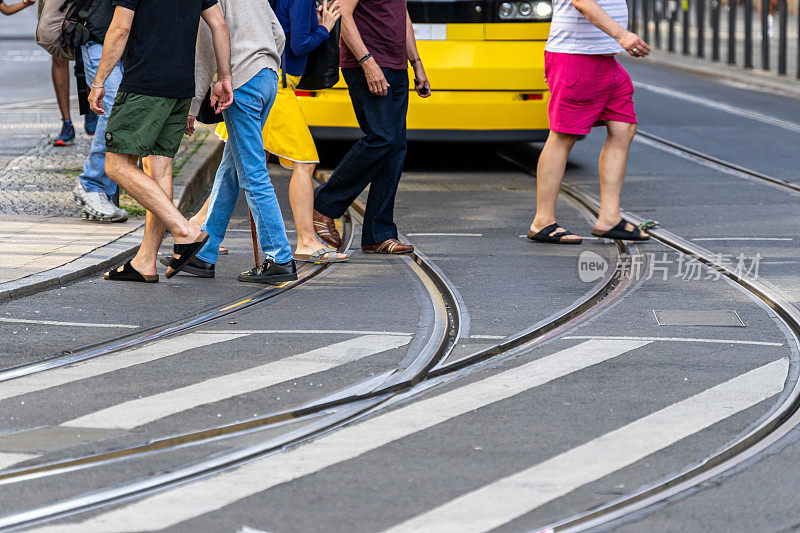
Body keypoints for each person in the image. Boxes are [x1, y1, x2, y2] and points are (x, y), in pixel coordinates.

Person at [89, 0, 234, 283]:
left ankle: (186, 231)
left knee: (116, 166)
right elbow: (220, 25)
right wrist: (224, 76)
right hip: (181, 87)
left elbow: (120, 29)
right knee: (159, 168)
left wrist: (98, 81)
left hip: (146, 84)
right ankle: (146, 261)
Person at [212, 0, 347, 264]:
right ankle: (306, 240)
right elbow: (296, 43)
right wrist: (325, 28)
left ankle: (199, 233)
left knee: (234, 166)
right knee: (304, 161)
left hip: (264, 79)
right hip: (277, 85)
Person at [180, 0, 298, 283]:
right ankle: (205, 253)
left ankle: (279, 257)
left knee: (252, 173)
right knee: (232, 169)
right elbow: (277, 33)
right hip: (267, 77)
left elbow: (207, 48)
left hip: (241, 80)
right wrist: (265, 63)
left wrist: (193, 106)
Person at [526, 0, 651, 244]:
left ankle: (609, 218)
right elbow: (581, 2)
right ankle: (542, 221)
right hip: (576, 57)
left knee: (623, 127)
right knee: (563, 136)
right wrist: (623, 36)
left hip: (603, 59)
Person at [312, 0, 430, 255]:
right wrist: (367, 62)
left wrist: (416, 62)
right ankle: (324, 204)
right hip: (367, 63)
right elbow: (342, 13)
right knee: (382, 138)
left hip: (396, 64)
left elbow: (402, 15)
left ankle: (379, 234)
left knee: (396, 147)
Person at [70, 0, 128, 222]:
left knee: (119, 110)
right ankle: (91, 184)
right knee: (112, 109)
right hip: (99, 37)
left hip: (117, 39)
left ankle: (102, 191)